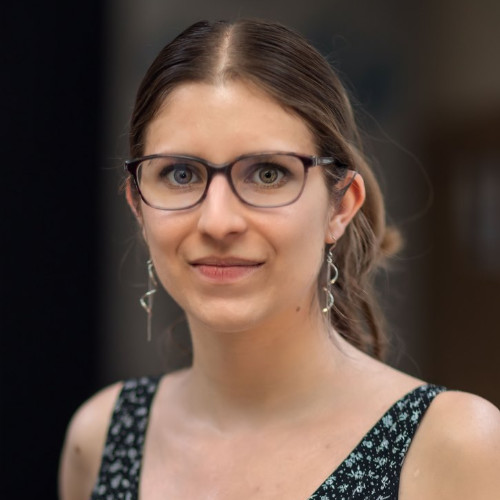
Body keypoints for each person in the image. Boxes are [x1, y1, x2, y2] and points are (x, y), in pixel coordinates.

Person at [59, 19, 500, 500]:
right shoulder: (102, 438)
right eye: (181, 174)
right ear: (138, 206)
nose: (218, 221)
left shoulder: (453, 446)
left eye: (267, 174)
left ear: (340, 207)